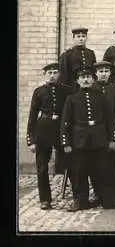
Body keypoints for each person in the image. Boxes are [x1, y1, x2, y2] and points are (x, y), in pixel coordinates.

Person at [60, 66, 115, 211]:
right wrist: (66, 142)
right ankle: (80, 201)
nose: (85, 80)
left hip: (100, 139)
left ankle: (107, 200)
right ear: (78, 81)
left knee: (103, 170)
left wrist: (111, 139)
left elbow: (110, 120)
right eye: (82, 78)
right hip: (79, 141)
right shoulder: (71, 99)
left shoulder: (101, 96)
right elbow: (66, 122)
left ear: (93, 79)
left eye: (88, 77)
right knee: (79, 172)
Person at [26, 62, 73, 210]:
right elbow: (32, 116)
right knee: (42, 167)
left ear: (59, 74)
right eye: (49, 73)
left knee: (70, 162)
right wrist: (31, 140)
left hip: (61, 130)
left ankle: (77, 195)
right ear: (44, 75)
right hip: (43, 130)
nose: (52, 76)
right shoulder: (39, 91)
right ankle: (45, 199)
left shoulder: (67, 90)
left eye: (55, 72)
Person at [91, 61, 115, 198]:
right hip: (96, 131)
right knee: (97, 164)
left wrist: (114, 134)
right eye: (101, 71)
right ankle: (98, 192)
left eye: (106, 71)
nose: (103, 74)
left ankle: (112, 193)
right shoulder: (91, 88)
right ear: (96, 74)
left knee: (112, 162)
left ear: (110, 73)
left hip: (113, 129)